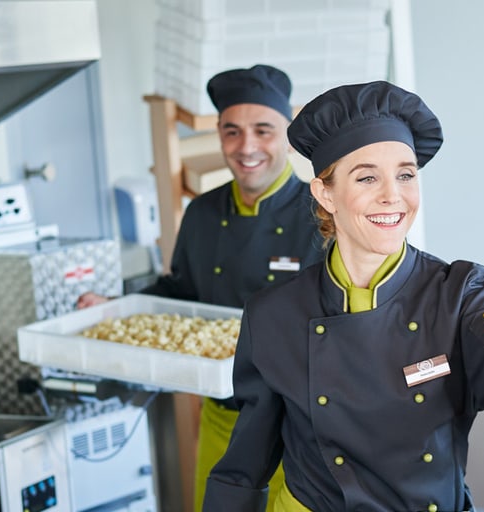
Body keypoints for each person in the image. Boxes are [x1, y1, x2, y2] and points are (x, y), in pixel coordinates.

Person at [202, 80, 484, 512]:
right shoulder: (274, 315)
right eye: (367, 177)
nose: (393, 197)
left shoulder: (460, 296)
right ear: (325, 193)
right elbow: (243, 468)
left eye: (406, 175)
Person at [78, 64, 325, 510]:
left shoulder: (321, 215)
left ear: (288, 134)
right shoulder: (203, 213)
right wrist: (116, 306)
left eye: (263, 130)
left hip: (302, 427)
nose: (246, 147)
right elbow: (180, 291)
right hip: (222, 418)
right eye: (231, 132)